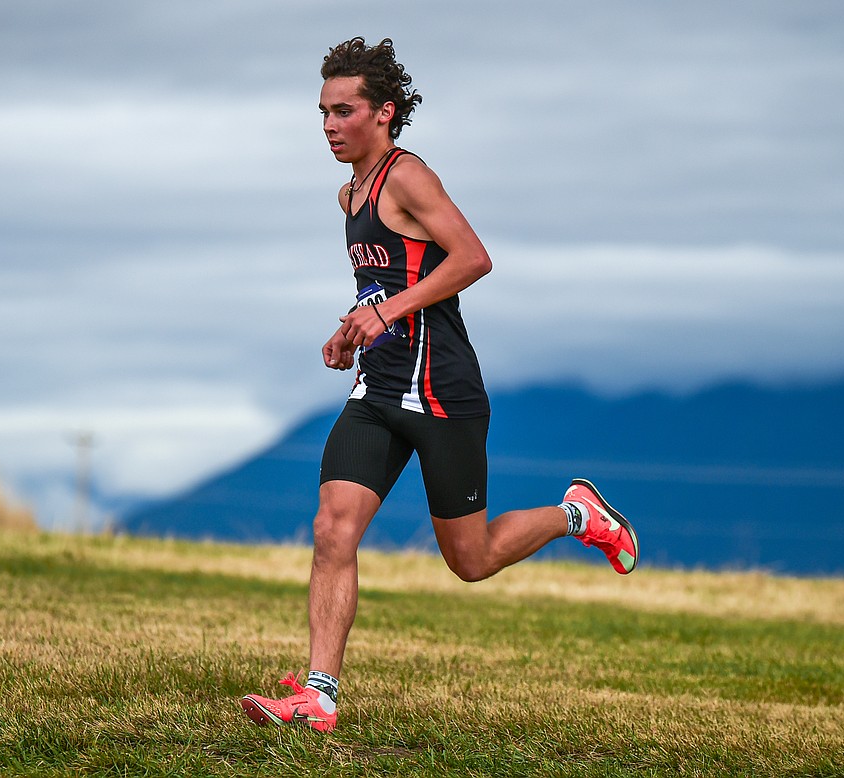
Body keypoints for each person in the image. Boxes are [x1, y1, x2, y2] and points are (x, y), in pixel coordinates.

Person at [239, 37, 639, 734]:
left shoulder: (406, 176)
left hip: (441, 392)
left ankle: (579, 514)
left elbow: (473, 257)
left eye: (345, 111)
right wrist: (356, 328)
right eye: (323, 112)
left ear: (384, 113)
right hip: (378, 390)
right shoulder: (350, 194)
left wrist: (387, 311)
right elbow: (385, 282)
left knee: (471, 559)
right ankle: (319, 696)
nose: (331, 126)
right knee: (333, 529)